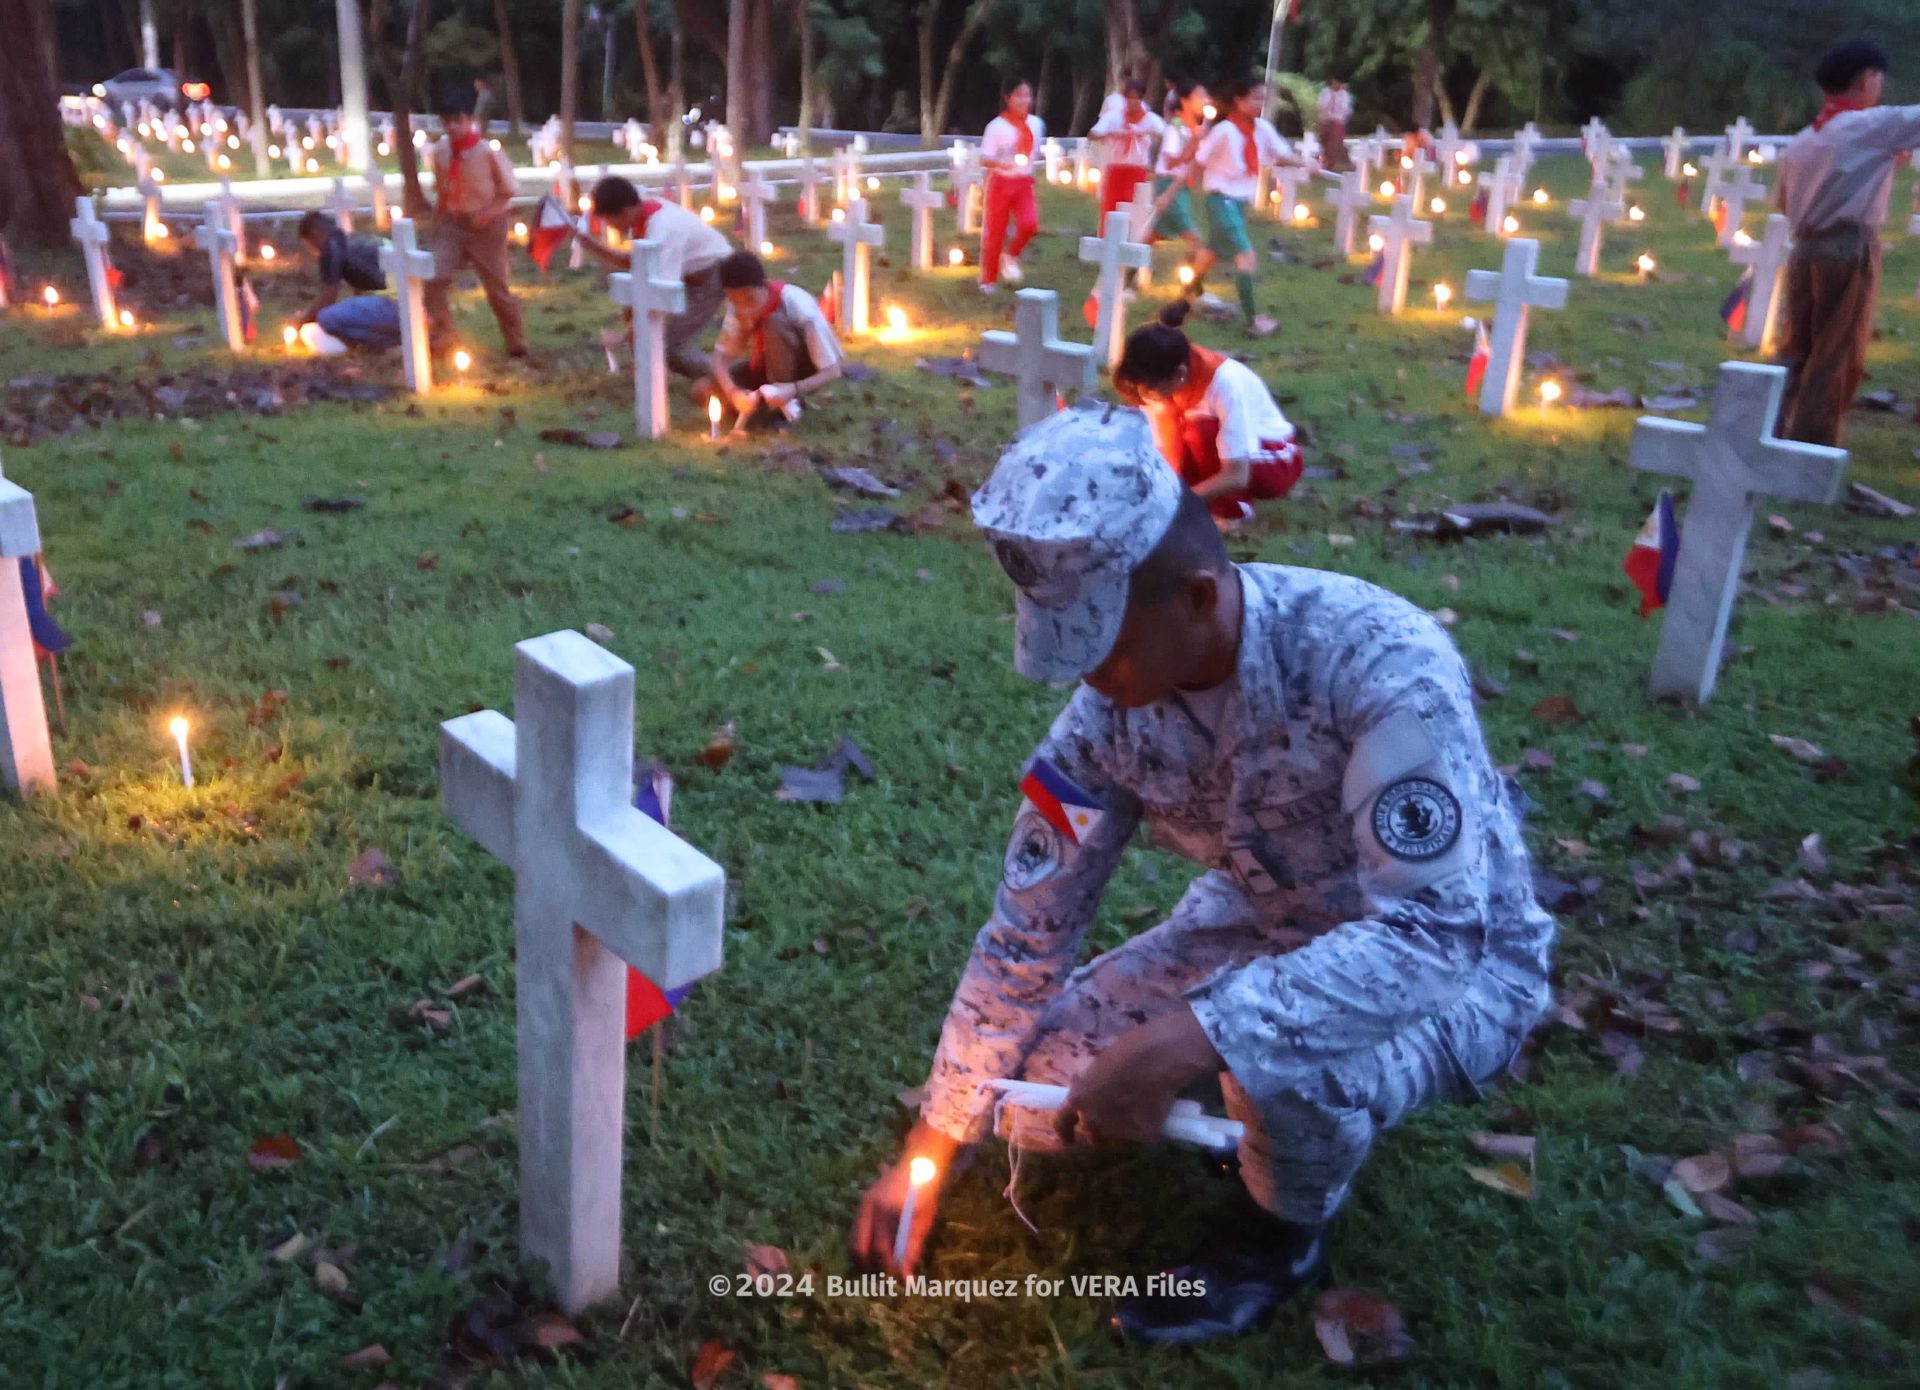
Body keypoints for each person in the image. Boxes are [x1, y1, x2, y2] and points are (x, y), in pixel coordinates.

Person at [848, 405, 1555, 1345]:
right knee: (1034, 1093)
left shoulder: (1379, 661)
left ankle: (1278, 1232)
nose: (1088, 673)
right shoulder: (1106, 719)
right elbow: (1029, 928)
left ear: (1197, 596)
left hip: (1458, 970)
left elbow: (1435, 935)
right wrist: (934, 1145)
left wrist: (1199, 1038)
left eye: (1107, 641)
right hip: (1263, 921)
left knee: (1278, 1060)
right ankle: (1241, 1120)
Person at [1775, 38, 1920, 446]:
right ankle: (1812, 447)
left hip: (1804, 248)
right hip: (1847, 246)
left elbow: (1784, 203)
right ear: (1867, 78)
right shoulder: (1871, 126)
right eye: (1879, 78)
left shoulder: (1803, 140)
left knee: (1796, 345)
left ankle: (1769, 428)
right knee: (1836, 350)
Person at [1115, 301, 1302, 528]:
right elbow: (1167, 446)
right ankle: (1196, 500)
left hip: (1270, 459)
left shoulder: (1225, 384)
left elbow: (1237, 475)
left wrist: (1178, 505)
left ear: (1179, 374)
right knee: (1168, 426)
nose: (1145, 395)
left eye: (1150, 388)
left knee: (1199, 429)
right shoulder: (1165, 377)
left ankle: (1233, 509)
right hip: (1218, 455)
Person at [573, 175, 732, 385]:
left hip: (714, 276)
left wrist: (628, 335)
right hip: (690, 274)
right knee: (650, 336)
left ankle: (729, 379)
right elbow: (638, 262)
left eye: (608, 220)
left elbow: (660, 294)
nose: (608, 226)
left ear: (625, 212)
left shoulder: (664, 230)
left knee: (666, 343)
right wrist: (592, 246)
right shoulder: (647, 214)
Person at [1189, 76, 1301, 337]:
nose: (1260, 104)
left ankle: (1188, 293)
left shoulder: (1262, 129)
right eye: (1255, 98)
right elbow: (1200, 158)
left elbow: (1281, 154)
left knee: (1211, 251)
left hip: (1239, 203)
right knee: (1245, 255)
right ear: (1238, 100)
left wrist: (1305, 163)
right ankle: (1253, 319)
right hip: (1220, 200)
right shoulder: (1224, 131)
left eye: (1263, 98)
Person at [422, 86, 527, 358]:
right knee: (435, 278)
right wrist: (438, 224)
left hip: (486, 226)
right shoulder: (441, 151)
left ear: (469, 120)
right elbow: (442, 189)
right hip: (453, 222)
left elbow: (508, 192)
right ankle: (443, 334)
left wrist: (488, 214)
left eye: (459, 120)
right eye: (447, 121)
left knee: (496, 287)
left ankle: (515, 340)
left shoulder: (486, 152)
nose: (453, 127)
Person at [706, 249, 844, 430]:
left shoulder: (796, 304)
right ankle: (761, 401)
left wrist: (792, 388)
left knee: (774, 322)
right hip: (763, 368)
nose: (743, 309)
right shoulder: (737, 309)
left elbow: (832, 370)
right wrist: (733, 392)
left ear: (763, 286)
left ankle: (787, 403)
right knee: (704, 388)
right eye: (735, 300)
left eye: (749, 299)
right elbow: (720, 360)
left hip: (797, 371)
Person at [292, 209, 402, 351]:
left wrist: (302, 319)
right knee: (345, 311)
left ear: (315, 233)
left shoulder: (331, 247)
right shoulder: (356, 238)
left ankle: (386, 343)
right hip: (411, 306)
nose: (314, 251)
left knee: (326, 317)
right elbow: (362, 289)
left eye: (310, 245)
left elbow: (327, 299)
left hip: (392, 307)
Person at [978, 78, 1044, 294]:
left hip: (1023, 182)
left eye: (1027, 95)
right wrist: (1001, 163)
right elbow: (984, 158)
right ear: (1008, 98)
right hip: (1001, 182)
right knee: (995, 231)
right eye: (1018, 95)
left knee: (1029, 224)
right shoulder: (996, 127)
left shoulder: (1036, 124)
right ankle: (988, 279)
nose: (1024, 100)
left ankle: (1012, 253)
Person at [1148, 81, 1212, 270]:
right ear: (1184, 101)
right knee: (1196, 239)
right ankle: (1192, 290)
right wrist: (1194, 142)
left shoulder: (1191, 129)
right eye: (1200, 96)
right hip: (1169, 186)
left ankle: (1123, 276)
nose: (1205, 100)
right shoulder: (1175, 129)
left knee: (1151, 236)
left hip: (1180, 188)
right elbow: (1171, 162)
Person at [1089, 78, 1165, 220]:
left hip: (1137, 170)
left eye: (1136, 98)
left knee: (1134, 209)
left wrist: (1149, 133)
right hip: (1116, 168)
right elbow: (1093, 134)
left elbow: (1165, 135)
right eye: (1129, 98)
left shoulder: (1150, 119)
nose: (1132, 102)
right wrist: (1111, 134)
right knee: (1110, 208)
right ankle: (1107, 236)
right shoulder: (1113, 117)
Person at [1315, 78, 1352, 173]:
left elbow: (1345, 110)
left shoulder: (1344, 95)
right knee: (1324, 136)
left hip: (1338, 122)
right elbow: (1320, 106)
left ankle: (1331, 162)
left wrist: (1336, 118)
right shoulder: (1325, 92)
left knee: (1335, 137)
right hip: (1325, 121)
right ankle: (1321, 159)